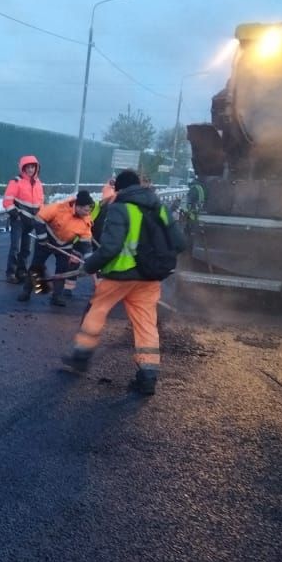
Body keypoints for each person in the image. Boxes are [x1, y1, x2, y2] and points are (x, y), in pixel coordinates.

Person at [61, 168, 185, 396]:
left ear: (118, 188)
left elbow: (110, 248)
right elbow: (179, 242)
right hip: (150, 277)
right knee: (146, 324)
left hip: (120, 275)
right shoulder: (160, 207)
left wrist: (87, 267)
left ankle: (80, 356)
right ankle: (147, 375)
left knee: (97, 310)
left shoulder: (120, 208)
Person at [19, 190, 94, 305]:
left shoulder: (86, 221)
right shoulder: (59, 208)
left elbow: (86, 243)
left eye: (89, 209)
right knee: (36, 266)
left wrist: (89, 260)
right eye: (85, 209)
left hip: (65, 245)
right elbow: (39, 218)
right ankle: (27, 291)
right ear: (78, 206)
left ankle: (57, 296)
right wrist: (42, 237)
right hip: (46, 241)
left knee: (62, 270)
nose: (87, 212)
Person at [1, 155, 45, 283]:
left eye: (33, 167)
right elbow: (7, 201)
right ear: (23, 168)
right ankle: (11, 273)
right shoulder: (16, 181)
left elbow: (41, 202)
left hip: (31, 221)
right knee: (16, 247)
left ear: (36, 168)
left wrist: (41, 217)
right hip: (19, 220)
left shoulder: (38, 183)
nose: (31, 169)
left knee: (26, 248)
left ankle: (22, 271)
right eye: (28, 167)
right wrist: (16, 215)